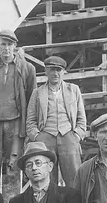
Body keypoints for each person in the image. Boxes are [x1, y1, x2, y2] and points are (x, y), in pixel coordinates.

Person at [0, 28, 36, 191]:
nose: (6, 48)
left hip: (15, 122)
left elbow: (32, 99)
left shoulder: (27, 69)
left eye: (10, 44)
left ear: (15, 46)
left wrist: (27, 127)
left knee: (13, 167)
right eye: (3, 44)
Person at [25, 55, 87, 185]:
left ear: (63, 72)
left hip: (68, 137)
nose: (55, 73)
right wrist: (37, 137)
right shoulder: (37, 92)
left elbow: (81, 117)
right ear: (46, 71)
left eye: (58, 70)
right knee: (46, 178)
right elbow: (30, 120)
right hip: (45, 137)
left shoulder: (73, 90)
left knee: (74, 177)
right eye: (52, 69)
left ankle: (75, 199)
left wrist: (76, 136)